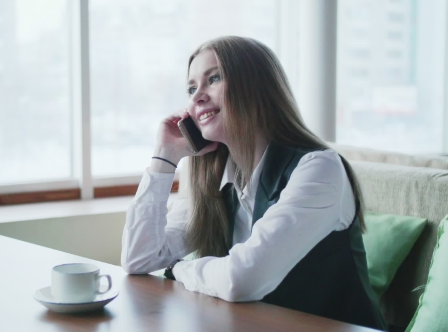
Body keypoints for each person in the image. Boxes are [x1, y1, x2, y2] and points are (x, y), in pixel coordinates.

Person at [121, 36, 386, 330]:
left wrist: (181, 270)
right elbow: (139, 258)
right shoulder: (215, 181)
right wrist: (164, 157)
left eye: (214, 79)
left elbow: (242, 280)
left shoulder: (318, 168)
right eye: (191, 88)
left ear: (256, 87)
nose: (197, 97)